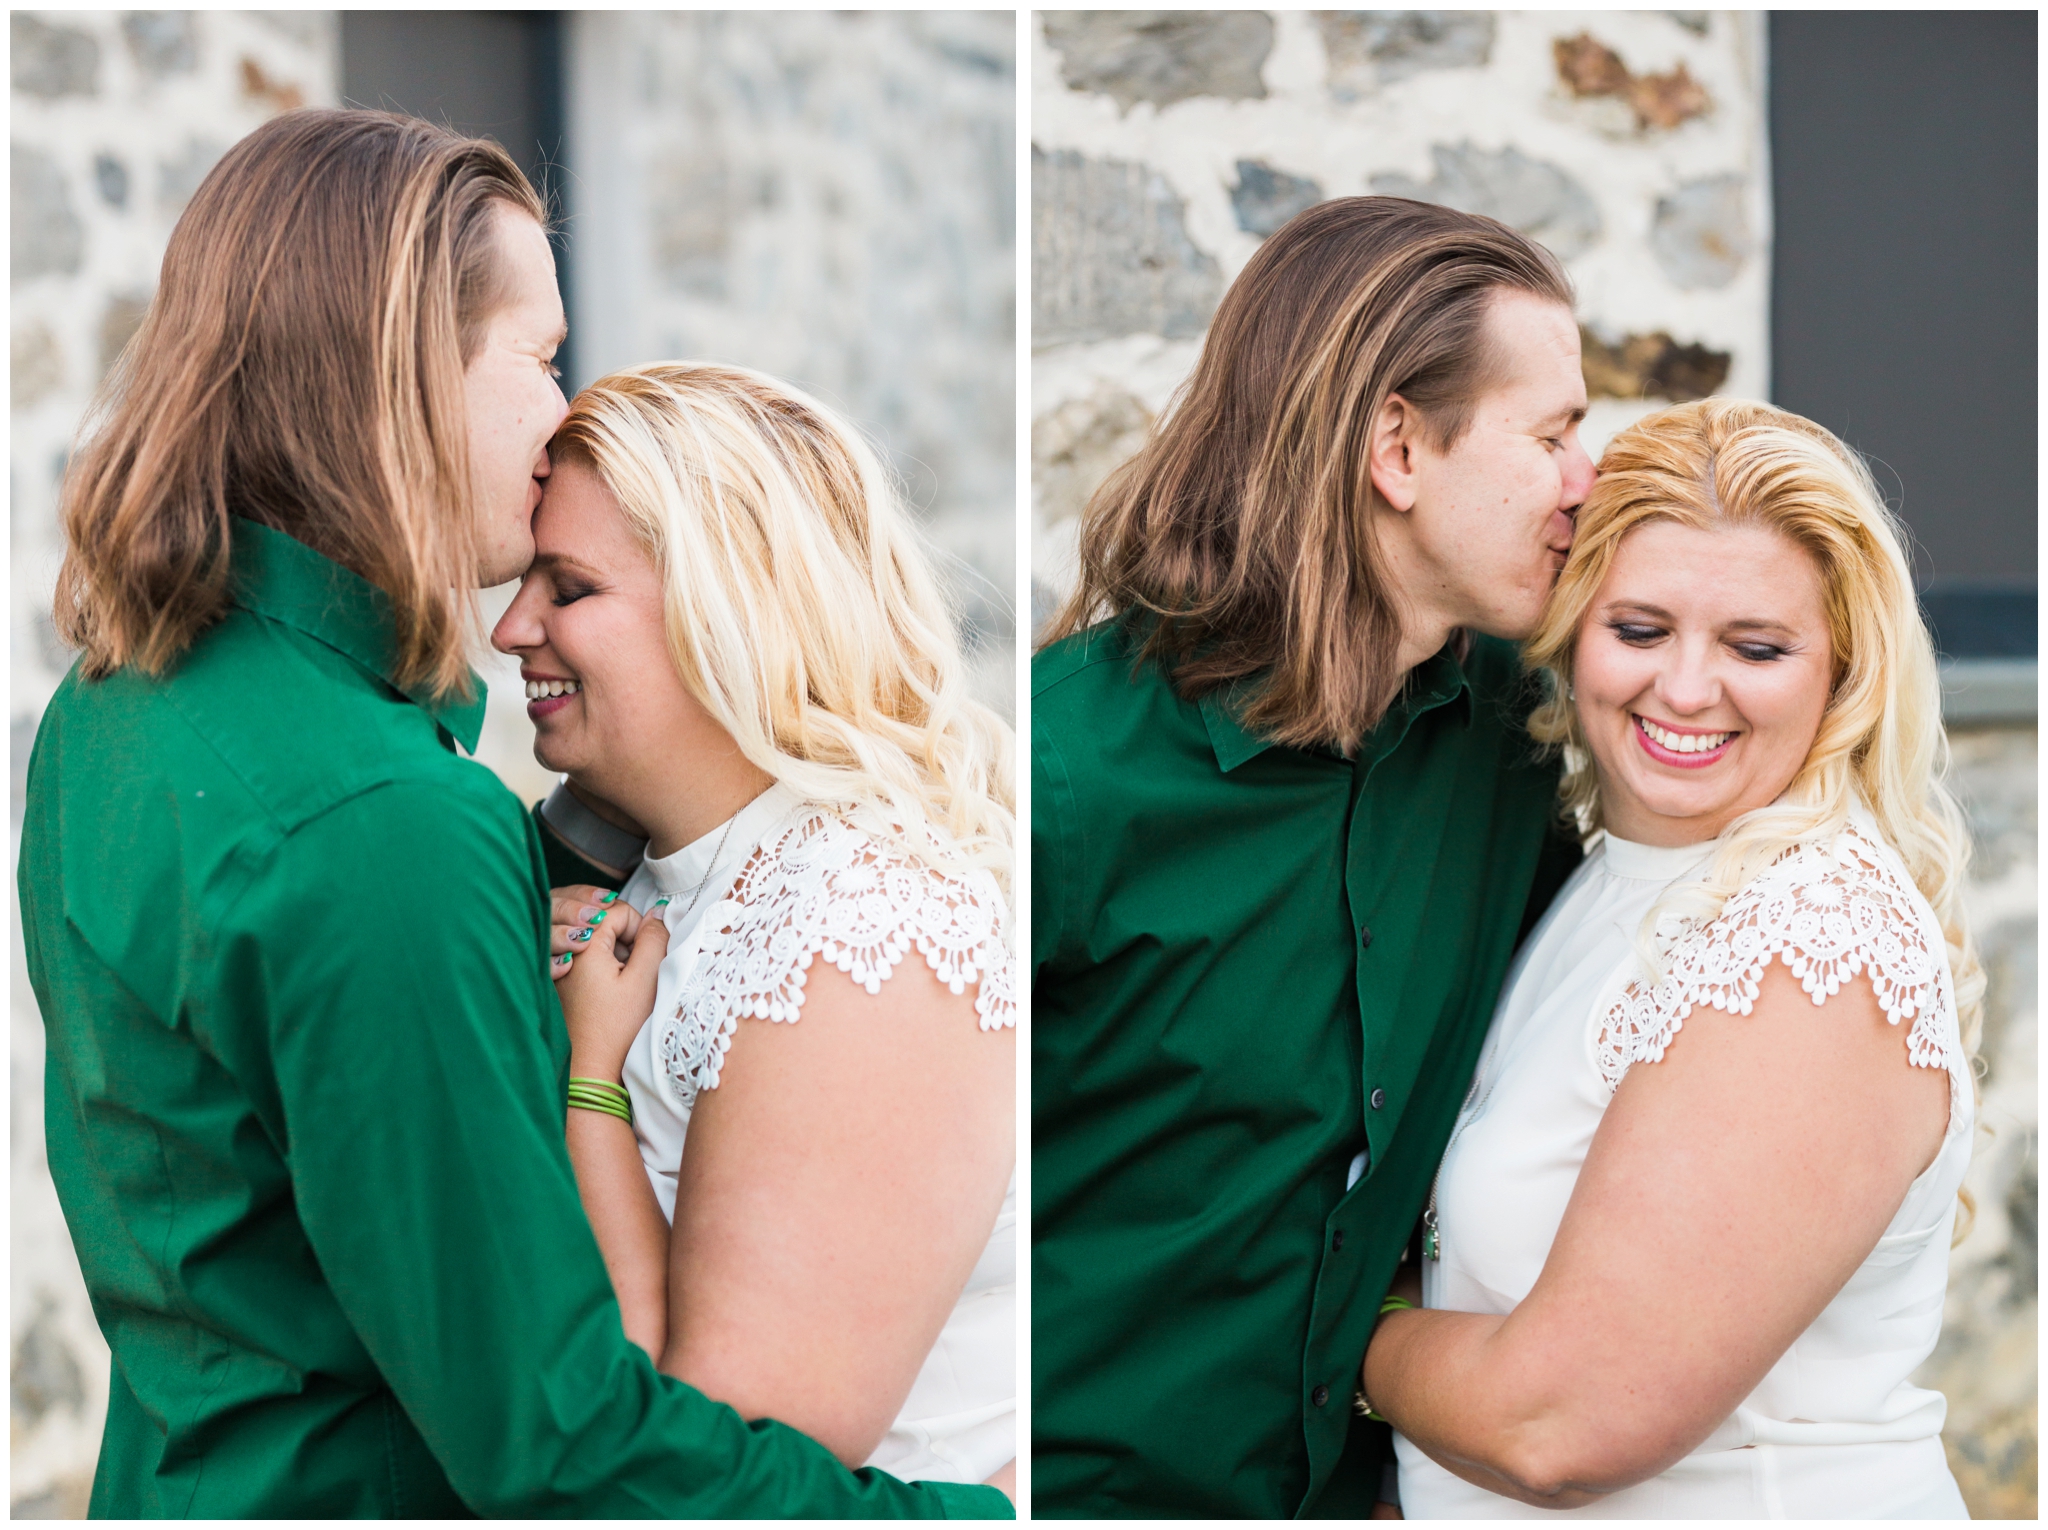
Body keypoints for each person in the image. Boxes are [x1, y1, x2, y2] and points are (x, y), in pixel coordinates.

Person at [18, 108, 1006, 1518]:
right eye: (538, 361)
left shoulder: (112, 709)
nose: (558, 416)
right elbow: (564, 1451)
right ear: (406, 371)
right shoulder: (385, 822)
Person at [1030, 196, 1594, 1517]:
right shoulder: (1055, 775)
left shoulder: (1516, 739)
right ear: (1397, 443)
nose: (1588, 478)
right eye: (1555, 433)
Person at [1363, 397, 1979, 1518]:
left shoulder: (1807, 943)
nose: (1685, 690)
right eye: (1638, 631)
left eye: (1754, 646)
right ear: (1571, 629)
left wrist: (1340, 1328)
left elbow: (1566, 1421)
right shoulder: (1595, 879)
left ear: (1841, 669)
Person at [488, 362, 1017, 1489]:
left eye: (568, 588)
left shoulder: (865, 926)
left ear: (726, 608)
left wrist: (587, 1078)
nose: (509, 627)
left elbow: (725, 1458)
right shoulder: (652, 876)